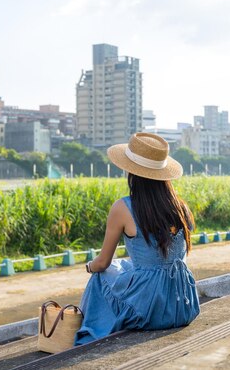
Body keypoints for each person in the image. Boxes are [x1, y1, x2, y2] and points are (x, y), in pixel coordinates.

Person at [75, 132, 200, 345]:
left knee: (100, 275)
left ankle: (90, 335)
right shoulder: (181, 207)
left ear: (131, 172)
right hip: (184, 306)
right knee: (124, 266)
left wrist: (89, 266)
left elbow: (103, 262)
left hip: (149, 311)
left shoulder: (122, 207)